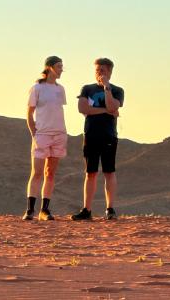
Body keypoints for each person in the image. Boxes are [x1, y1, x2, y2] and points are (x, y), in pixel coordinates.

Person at [71, 58, 124, 221]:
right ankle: (87, 209)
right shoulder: (87, 89)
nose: (98, 73)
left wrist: (107, 88)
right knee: (91, 172)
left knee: (109, 171)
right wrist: (107, 110)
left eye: (102, 70)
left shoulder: (117, 90)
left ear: (109, 71)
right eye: (96, 70)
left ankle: (110, 209)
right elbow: (83, 108)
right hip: (91, 134)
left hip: (109, 135)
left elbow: (114, 106)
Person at [22, 56, 67, 221]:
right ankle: (30, 210)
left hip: (59, 133)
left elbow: (57, 109)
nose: (62, 69)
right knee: (37, 172)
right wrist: (33, 131)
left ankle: (45, 210)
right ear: (49, 67)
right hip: (42, 134)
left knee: (51, 173)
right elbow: (29, 112)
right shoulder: (37, 88)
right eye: (59, 66)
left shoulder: (60, 89)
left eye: (62, 66)